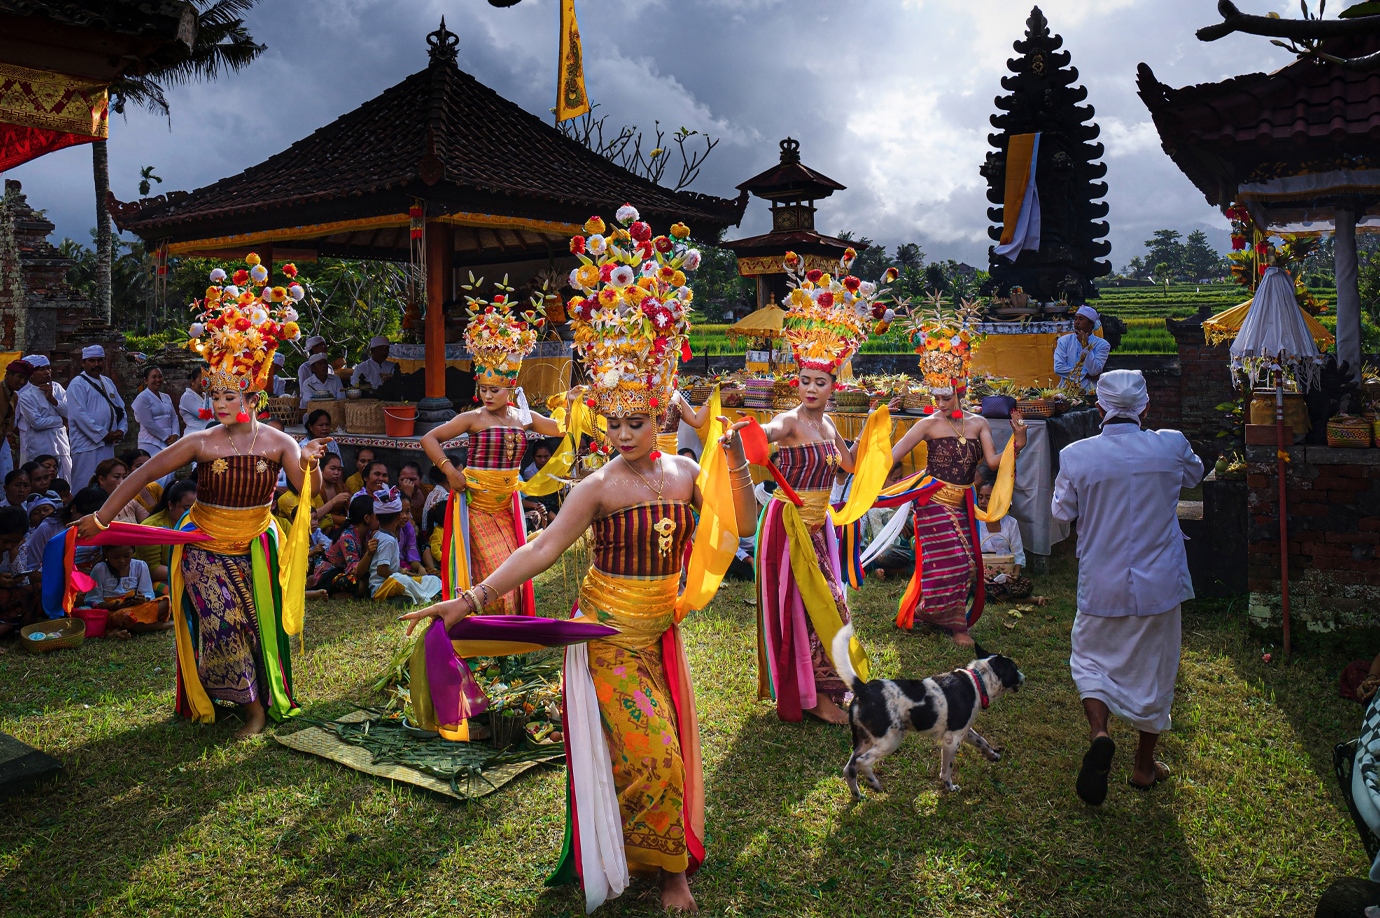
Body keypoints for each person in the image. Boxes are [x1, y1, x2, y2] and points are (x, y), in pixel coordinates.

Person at [403, 207, 756, 911]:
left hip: (661, 632)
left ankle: (651, 855)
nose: (622, 433)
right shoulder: (597, 486)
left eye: (637, 420)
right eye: (613, 421)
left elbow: (740, 525)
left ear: (661, 413)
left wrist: (738, 463)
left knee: (654, 747)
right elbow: (541, 547)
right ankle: (667, 870)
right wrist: (470, 600)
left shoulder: (687, 473)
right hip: (605, 637)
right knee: (651, 749)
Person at [76, 255, 328, 740]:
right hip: (202, 544)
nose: (220, 403)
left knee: (257, 625)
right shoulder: (200, 442)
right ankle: (251, 709)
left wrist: (311, 464)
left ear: (254, 397)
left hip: (256, 545)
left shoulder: (280, 442)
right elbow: (142, 473)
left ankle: (254, 695)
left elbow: (306, 492)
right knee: (222, 624)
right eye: (216, 395)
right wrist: (103, 518)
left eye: (230, 396)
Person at [742, 250, 900, 724]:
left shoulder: (829, 426)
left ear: (834, 385)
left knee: (831, 602)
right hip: (788, 524)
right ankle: (811, 696)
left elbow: (850, 465)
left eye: (820, 382)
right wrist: (747, 432)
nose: (811, 389)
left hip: (819, 525)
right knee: (803, 607)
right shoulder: (789, 421)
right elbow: (767, 434)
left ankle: (827, 686)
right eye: (805, 381)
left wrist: (875, 426)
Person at [1052, 369, 1203, 805]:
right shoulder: (1171, 445)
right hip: (1159, 583)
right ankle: (1143, 766)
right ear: (1146, 407)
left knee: (1090, 662)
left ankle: (1100, 732)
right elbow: (1195, 476)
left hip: (1101, 582)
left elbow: (1061, 513)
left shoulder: (1077, 455)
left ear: (1098, 407)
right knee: (1156, 671)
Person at [419, 289, 570, 619]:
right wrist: (449, 470)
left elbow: (560, 429)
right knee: (492, 570)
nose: (487, 395)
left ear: (511, 387)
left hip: (507, 505)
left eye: (495, 390)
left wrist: (570, 402)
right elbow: (430, 438)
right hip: (476, 504)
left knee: (513, 574)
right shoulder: (473, 418)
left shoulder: (522, 416)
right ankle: (484, 634)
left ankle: (506, 636)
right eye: (483, 389)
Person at [884, 300, 1024, 648]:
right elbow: (891, 457)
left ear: (960, 389)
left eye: (946, 397)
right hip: (931, 499)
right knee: (955, 560)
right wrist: (874, 431)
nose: (940, 403)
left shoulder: (979, 424)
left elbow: (993, 463)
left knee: (962, 563)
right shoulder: (927, 424)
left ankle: (935, 614)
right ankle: (950, 622)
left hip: (963, 501)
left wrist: (1018, 442)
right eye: (936, 396)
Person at [67, 345, 128, 494]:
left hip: (108, 445)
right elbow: (80, 416)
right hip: (86, 446)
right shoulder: (77, 384)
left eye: (99, 360)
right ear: (83, 363)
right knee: (85, 485)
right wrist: (103, 434)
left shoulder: (108, 382)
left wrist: (121, 430)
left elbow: (121, 409)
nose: (96, 364)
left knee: (106, 485)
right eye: (91, 361)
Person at [367, 486, 442, 603]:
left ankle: (410, 596)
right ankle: (424, 596)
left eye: (407, 511)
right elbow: (381, 570)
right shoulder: (387, 540)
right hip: (381, 587)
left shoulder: (384, 536)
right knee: (402, 580)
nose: (404, 516)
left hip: (393, 580)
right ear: (398, 517)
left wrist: (405, 571)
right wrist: (400, 573)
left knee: (431, 580)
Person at [86, 544, 172, 639]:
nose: (122, 561)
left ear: (133, 551)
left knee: (168, 601)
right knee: (125, 616)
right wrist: (112, 606)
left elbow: (148, 593)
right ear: (106, 553)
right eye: (116, 557)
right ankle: (161, 625)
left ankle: (124, 628)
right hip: (114, 612)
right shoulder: (100, 569)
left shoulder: (140, 566)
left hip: (136, 608)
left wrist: (143, 599)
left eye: (126, 556)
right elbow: (92, 600)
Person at [977, 466, 1031, 601]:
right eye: (980, 497)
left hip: (1006, 577)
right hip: (984, 577)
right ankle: (1026, 600)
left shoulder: (1010, 523)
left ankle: (1002, 596)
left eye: (988, 498)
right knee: (979, 588)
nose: (983, 502)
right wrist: (980, 575)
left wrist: (1015, 575)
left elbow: (1018, 552)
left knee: (1026, 585)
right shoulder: (976, 523)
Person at [310, 493, 376, 596]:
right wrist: (369, 553)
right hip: (329, 573)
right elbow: (355, 571)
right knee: (359, 585)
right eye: (377, 516)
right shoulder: (347, 537)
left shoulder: (367, 534)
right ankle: (332, 593)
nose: (380, 519)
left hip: (344, 571)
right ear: (367, 518)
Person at [17, 355, 70, 482]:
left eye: (48, 368)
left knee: (65, 481)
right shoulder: (26, 396)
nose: (47, 372)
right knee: (42, 482)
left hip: (61, 445)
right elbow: (37, 423)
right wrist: (60, 421)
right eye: (42, 369)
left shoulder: (57, 388)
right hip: (41, 447)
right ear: (31, 374)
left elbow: (70, 413)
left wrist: (52, 399)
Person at [136, 478, 198, 584]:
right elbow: (151, 568)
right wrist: (189, 575)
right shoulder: (151, 527)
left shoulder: (200, 523)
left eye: (195, 508)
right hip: (157, 582)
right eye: (186, 508)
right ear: (171, 505)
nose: (191, 514)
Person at [131, 364, 179, 488]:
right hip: (151, 442)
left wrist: (175, 435)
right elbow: (148, 422)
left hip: (169, 441)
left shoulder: (166, 397)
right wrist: (165, 437)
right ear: (145, 380)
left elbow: (174, 417)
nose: (158, 380)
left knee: (169, 472)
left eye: (160, 376)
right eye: (154, 377)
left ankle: (166, 497)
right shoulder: (143, 398)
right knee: (156, 474)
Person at [1053, 304, 1111, 391]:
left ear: (1091, 323)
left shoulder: (1102, 344)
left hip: (1089, 391)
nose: (1076, 322)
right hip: (1065, 390)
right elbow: (1058, 368)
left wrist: (1085, 346)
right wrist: (1085, 374)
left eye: (1081, 319)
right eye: (1075, 319)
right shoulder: (1064, 340)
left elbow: (1094, 371)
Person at [0, 505, 38, 637]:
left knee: (35, 591)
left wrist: (13, 553)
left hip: (8, 596)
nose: (8, 545)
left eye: (15, 542)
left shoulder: (18, 548)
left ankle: (8, 626)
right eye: (5, 541)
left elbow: (24, 583)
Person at [0, 359, 32, 482]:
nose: (22, 382)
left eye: (26, 379)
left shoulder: (14, 396)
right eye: (19, 377)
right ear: (8, 374)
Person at [656, 388, 712, 456]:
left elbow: (697, 421)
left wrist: (713, 394)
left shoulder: (674, 393)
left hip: (672, 455)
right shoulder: (645, 392)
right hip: (651, 454)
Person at [122, 449, 163, 513]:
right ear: (128, 470)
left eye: (148, 465)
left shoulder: (155, 487)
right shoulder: (126, 495)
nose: (145, 469)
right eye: (139, 466)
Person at [397, 460, 433, 530]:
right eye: (403, 479)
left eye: (412, 479)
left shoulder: (430, 491)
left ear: (421, 478)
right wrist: (406, 496)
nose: (408, 483)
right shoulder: (393, 496)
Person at [179, 365, 212, 435]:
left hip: (209, 434)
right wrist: (209, 395)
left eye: (207, 380)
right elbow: (202, 414)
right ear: (192, 381)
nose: (205, 383)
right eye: (202, 380)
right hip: (194, 435)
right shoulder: (187, 397)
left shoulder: (205, 395)